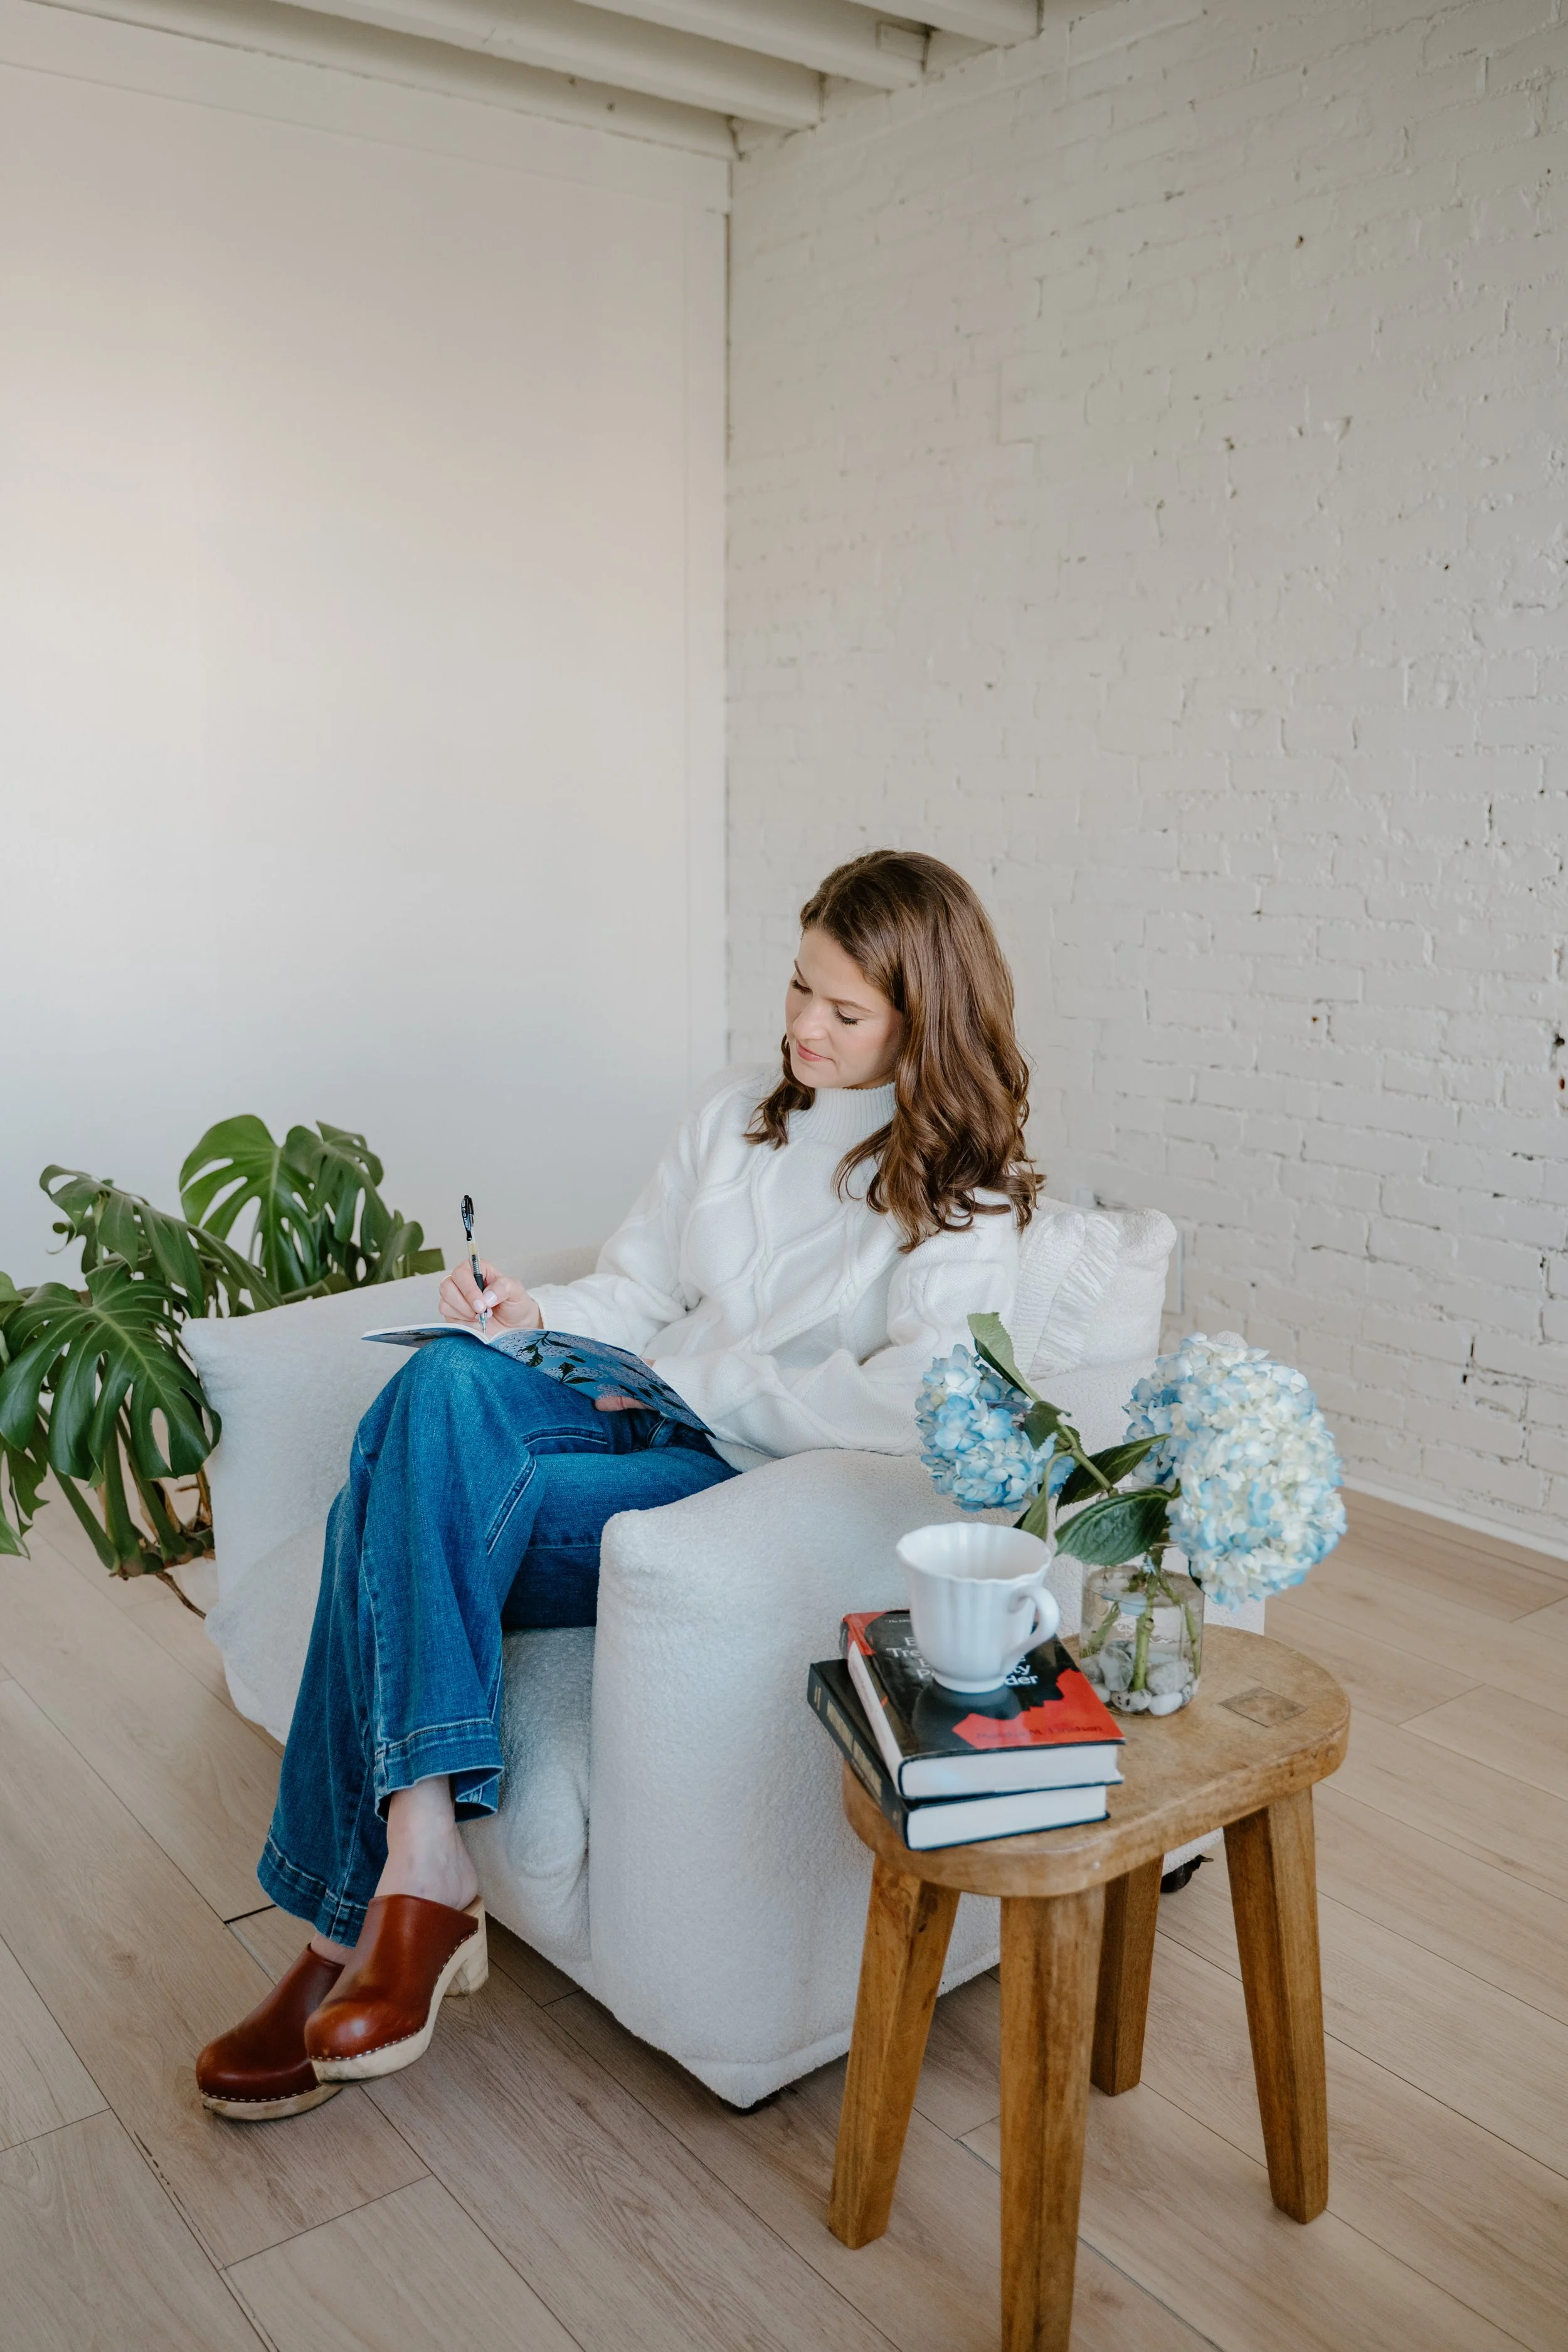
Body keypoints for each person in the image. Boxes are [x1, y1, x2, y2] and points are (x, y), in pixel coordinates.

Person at [196, 849, 1042, 2120]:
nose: (802, 1028)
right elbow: (639, 1284)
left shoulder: (964, 1205)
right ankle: (420, 1861)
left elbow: (906, 1402)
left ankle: (336, 1934)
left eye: (843, 1013)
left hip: (720, 1482)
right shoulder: (732, 1117)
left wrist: (694, 1375)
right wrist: (537, 1314)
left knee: (388, 1496)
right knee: (438, 1386)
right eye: (798, 988)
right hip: (625, 1413)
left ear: (926, 1026)